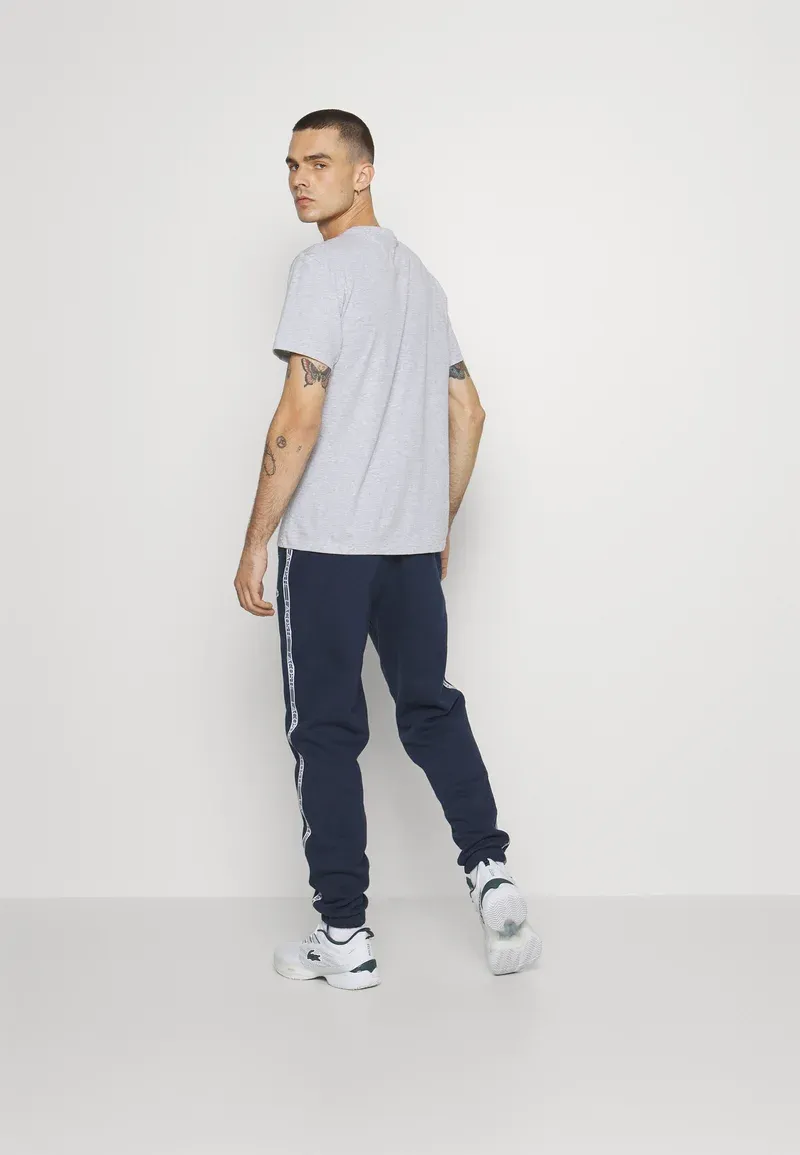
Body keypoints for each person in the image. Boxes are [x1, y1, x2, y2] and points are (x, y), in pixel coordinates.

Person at [234, 109, 542, 989]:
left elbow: (299, 416)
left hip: (330, 549)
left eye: (319, 163)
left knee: (325, 733)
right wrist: (436, 522)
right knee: (431, 708)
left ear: (363, 173)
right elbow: (469, 411)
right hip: (409, 551)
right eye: (292, 165)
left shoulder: (322, 269)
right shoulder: (421, 281)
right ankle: (490, 868)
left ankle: (345, 934)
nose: (300, 179)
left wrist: (256, 539)